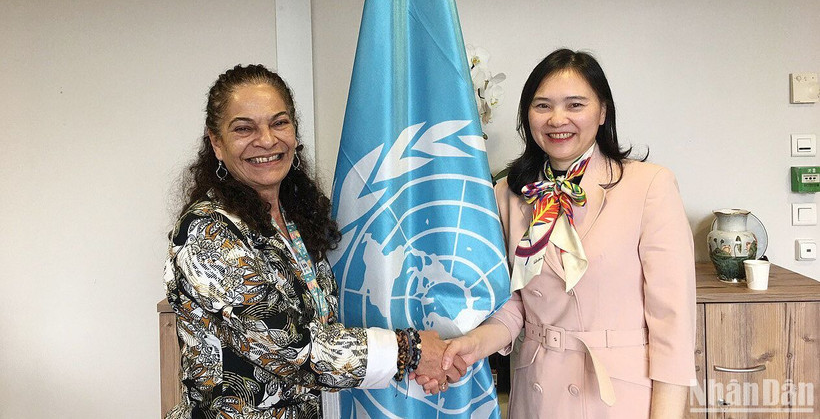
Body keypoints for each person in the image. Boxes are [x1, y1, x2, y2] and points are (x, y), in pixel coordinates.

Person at [163, 64, 464, 419]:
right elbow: (289, 347)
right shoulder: (206, 231)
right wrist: (409, 351)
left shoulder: (295, 219)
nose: (267, 140)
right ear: (216, 143)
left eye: (279, 123)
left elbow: (324, 326)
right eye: (244, 128)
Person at [423, 49, 696, 417]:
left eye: (575, 105)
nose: (557, 119)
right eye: (543, 106)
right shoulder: (507, 194)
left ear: (602, 111)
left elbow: (673, 324)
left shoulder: (649, 185)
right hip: (538, 394)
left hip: (619, 397)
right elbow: (514, 304)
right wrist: (474, 344)